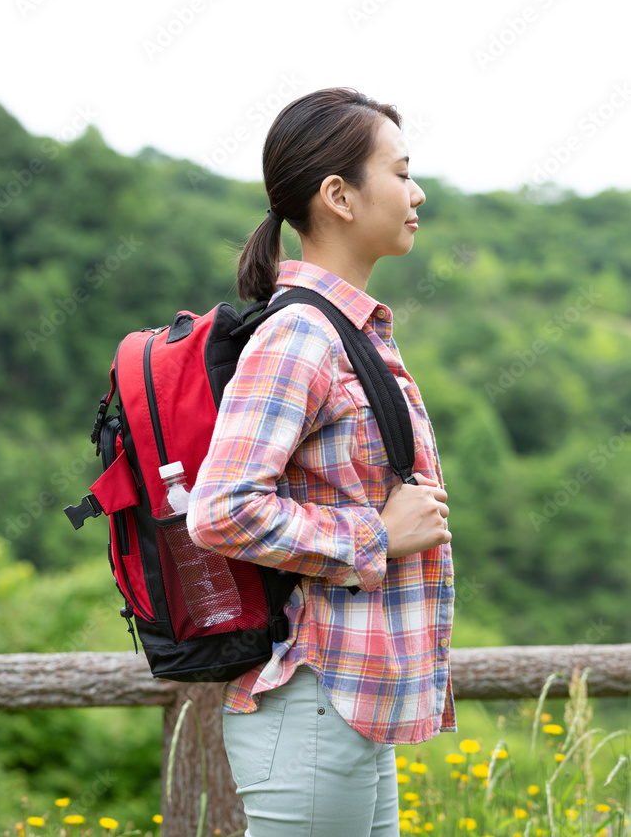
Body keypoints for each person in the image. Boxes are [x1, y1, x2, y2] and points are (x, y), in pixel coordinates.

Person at [187, 87, 456, 837]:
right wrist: (375, 534)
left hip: (351, 706)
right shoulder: (300, 336)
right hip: (312, 706)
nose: (417, 193)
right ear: (338, 195)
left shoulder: (350, 332)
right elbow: (221, 510)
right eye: (400, 173)